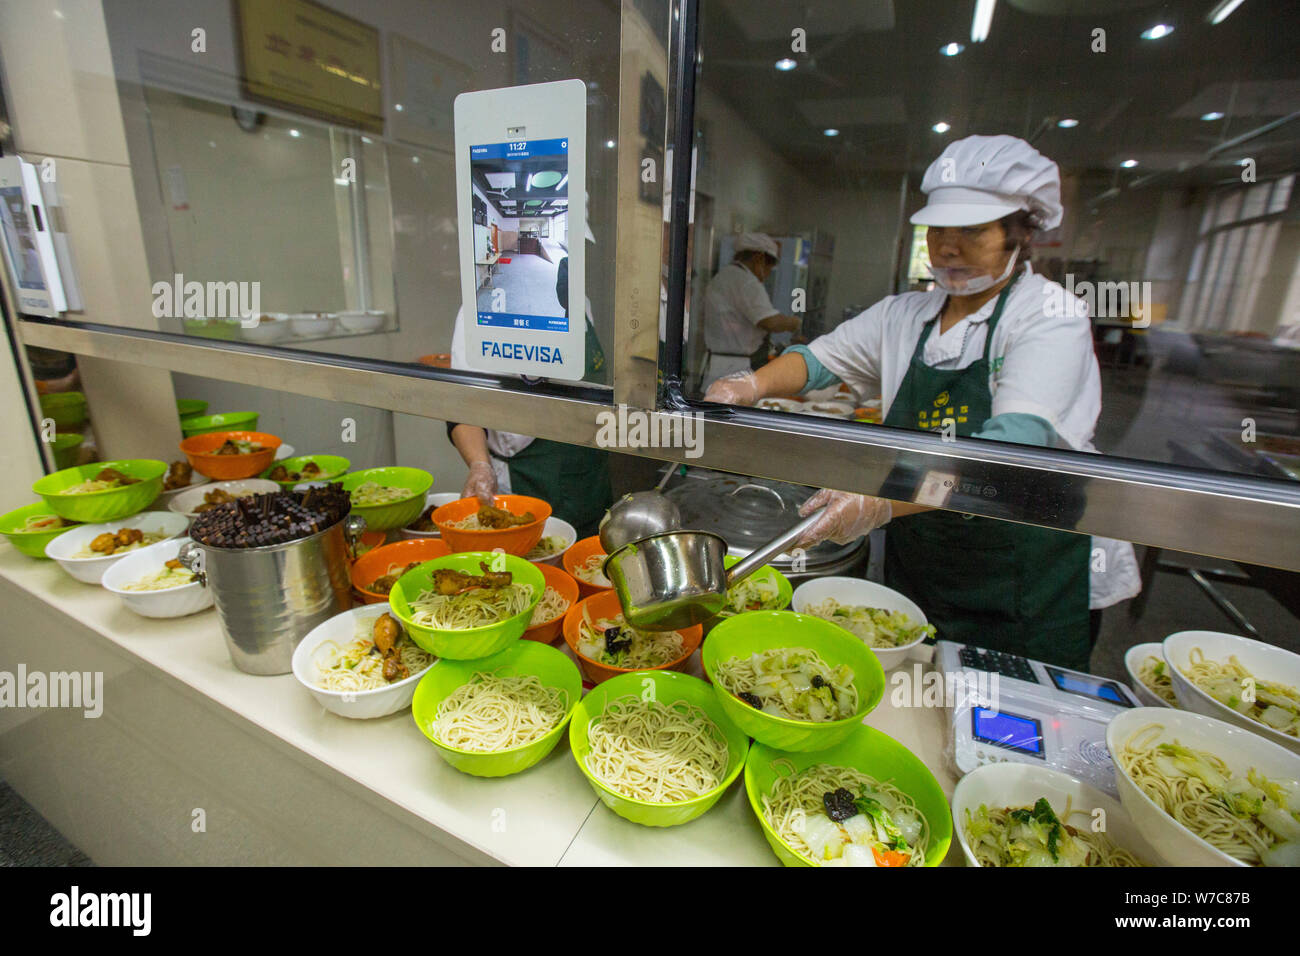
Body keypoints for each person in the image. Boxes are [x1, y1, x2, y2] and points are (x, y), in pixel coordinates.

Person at [705, 135, 1139, 671]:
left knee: (1007, 728)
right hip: (928, 552)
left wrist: (882, 502)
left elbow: (1007, 450)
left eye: (972, 231)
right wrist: (749, 385)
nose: (948, 247)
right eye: (938, 230)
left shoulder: (1049, 314)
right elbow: (820, 361)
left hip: (1020, 571)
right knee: (917, 693)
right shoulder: (906, 314)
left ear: (1019, 234)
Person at [446, 219, 612, 539]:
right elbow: (462, 406)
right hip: (531, 476)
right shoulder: (483, 309)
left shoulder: (580, 302)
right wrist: (480, 465)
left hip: (587, 473)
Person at [700, 232, 802, 383]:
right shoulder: (747, 282)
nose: (767, 275)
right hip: (734, 368)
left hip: (718, 363)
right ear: (758, 258)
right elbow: (769, 322)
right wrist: (795, 323)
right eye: (769, 268)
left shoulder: (726, 275)